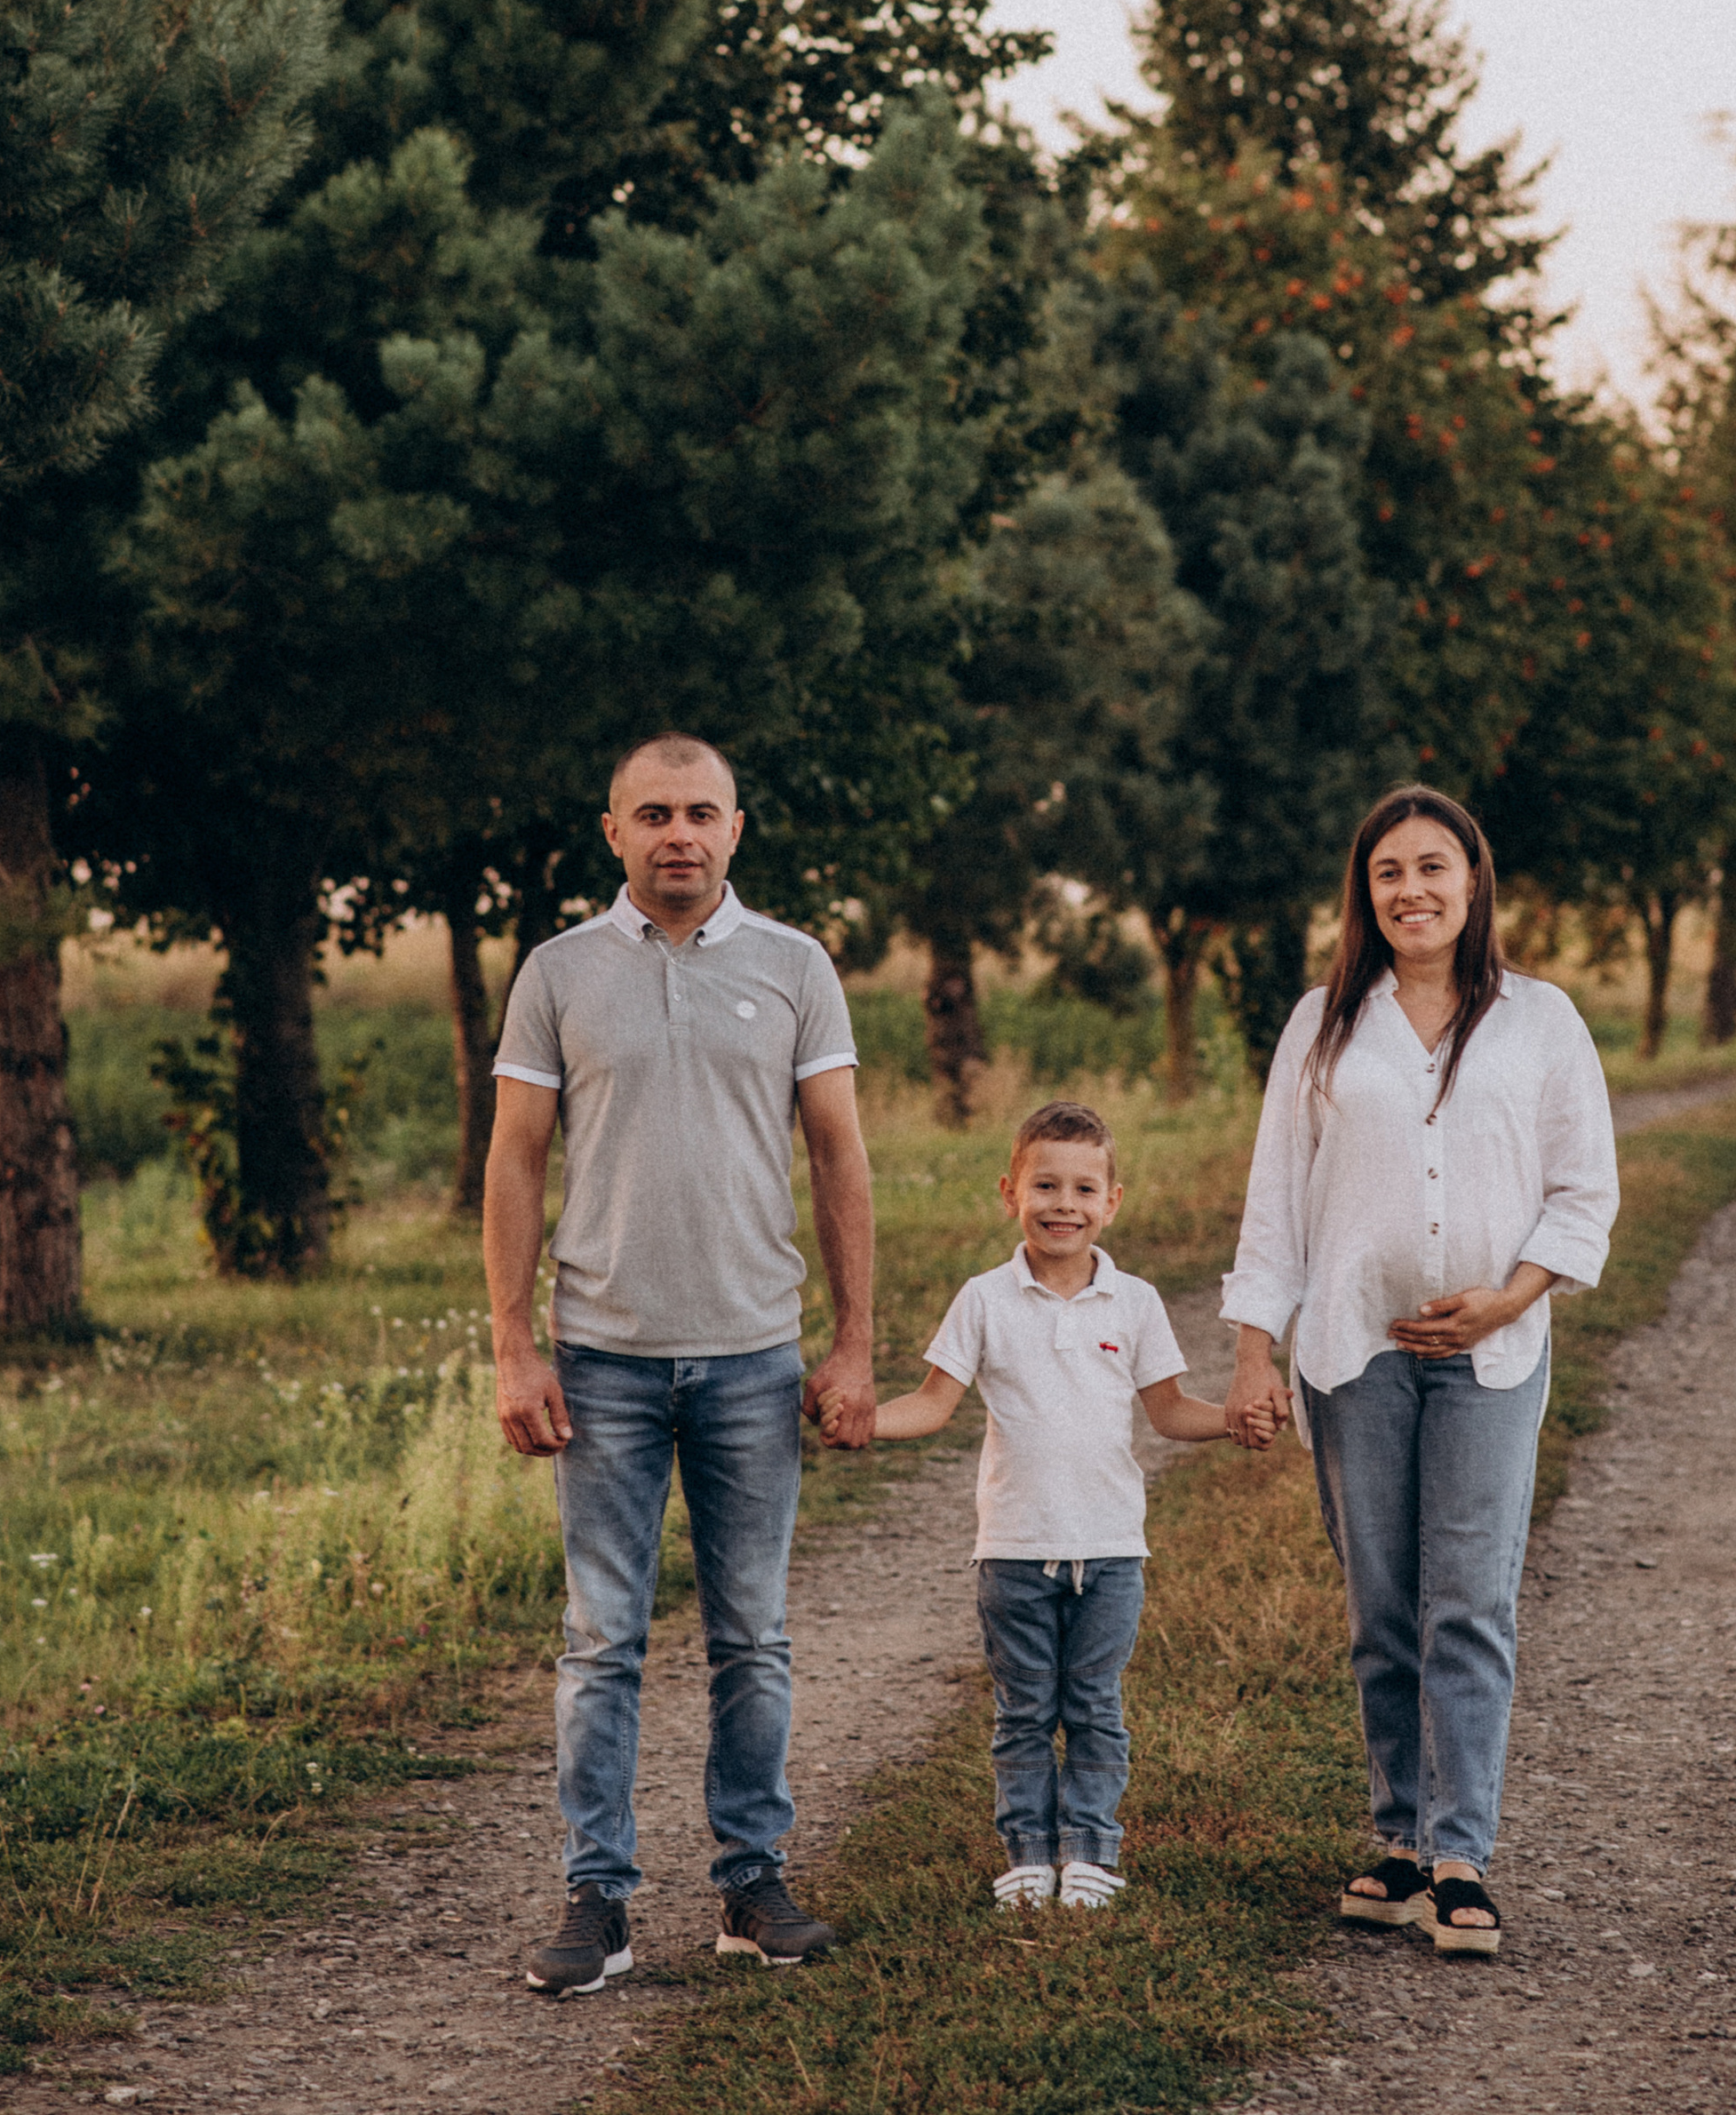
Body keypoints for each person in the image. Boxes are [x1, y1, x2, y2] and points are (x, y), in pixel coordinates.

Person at [483, 733, 879, 1992]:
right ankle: (596, 1899)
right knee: (602, 1637)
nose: (678, 834)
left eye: (700, 812)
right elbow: (513, 1158)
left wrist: (859, 1340)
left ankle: (750, 1882)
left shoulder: (796, 964)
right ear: (614, 831)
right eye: (652, 813)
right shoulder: (558, 971)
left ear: (736, 827)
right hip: (599, 1359)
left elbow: (838, 1153)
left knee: (751, 1632)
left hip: (755, 1356)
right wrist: (513, 1342)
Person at [1221, 786, 1617, 1957]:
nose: (1413, 888)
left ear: (1474, 880)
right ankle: (1398, 1840)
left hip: (1492, 1356)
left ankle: (1461, 1857)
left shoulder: (1542, 1021)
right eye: (1389, 870)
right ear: (1367, 893)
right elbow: (1275, 1199)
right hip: (1355, 1352)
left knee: (1473, 1601)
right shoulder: (1325, 1026)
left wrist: (1512, 1293)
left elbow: (1584, 1187)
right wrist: (1254, 1346)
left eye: (1433, 865)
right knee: (1383, 1604)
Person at [827, 1097, 1240, 1908]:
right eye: (1045, 1185)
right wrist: (868, 1421)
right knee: (1022, 1713)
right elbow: (935, 1401)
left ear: (1112, 1201)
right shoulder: (983, 1298)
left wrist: (1234, 1420)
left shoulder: (1137, 1302)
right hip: (1013, 1550)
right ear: (1009, 1189)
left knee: (1093, 1707)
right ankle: (1026, 1853)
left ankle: (1089, 1851)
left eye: (1085, 1189)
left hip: (1113, 1550)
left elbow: (1169, 1411)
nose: (1064, 1205)